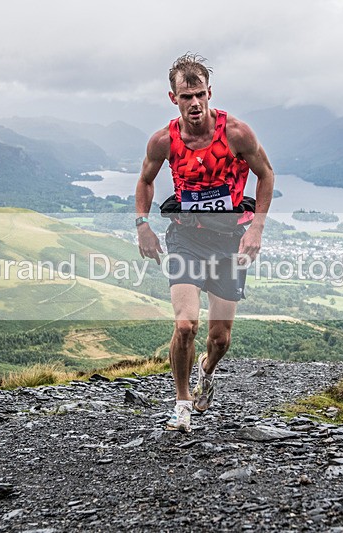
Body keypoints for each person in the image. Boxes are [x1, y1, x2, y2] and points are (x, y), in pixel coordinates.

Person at [135, 53, 275, 432]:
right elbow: (146, 181)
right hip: (185, 237)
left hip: (230, 240)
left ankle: (206, 371)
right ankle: (181, 406)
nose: (194, 103)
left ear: (209, 92)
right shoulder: (164, 140)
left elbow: (265, 175)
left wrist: (256, 228)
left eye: (199, 94)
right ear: (173, 98)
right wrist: (142, 225)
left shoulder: (237, 134)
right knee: (185, 326)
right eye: (186, 97)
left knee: (220, 338)